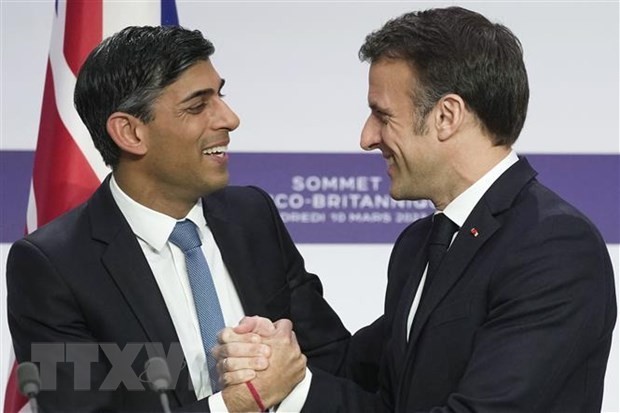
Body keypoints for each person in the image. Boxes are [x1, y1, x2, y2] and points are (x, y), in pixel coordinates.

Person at [217, 6, 617, 412]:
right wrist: (273, 358)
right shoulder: (420, 244)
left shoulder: (553, 247)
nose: (367, 137)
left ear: (446, 116)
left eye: (382, 115)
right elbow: (370, 387)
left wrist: (295, 388)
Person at [6, 25, 351, 412]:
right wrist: (243, 401)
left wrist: (290, 368)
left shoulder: (253, 216)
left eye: (220, 96)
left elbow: (333, 359)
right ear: (130, 132)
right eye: (198, 105)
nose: (230, 119)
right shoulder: (53, 266)